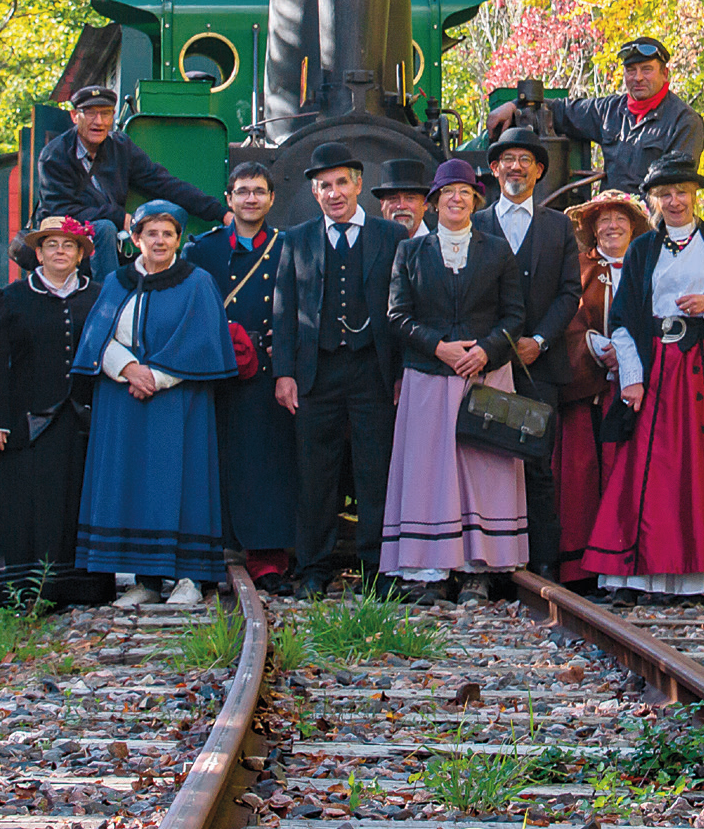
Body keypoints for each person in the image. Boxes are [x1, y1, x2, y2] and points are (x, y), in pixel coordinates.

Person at [582, 153, 704, 602]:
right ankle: (648, 575)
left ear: (695, 196)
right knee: (655, 472)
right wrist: (631, 378)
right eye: (666, 194)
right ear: (654, 199)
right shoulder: (642, 250)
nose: (675, 201)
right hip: (660, 372)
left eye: (683, 193)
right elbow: (626, 319)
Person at [73, 200, 237, 606]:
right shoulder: (116, 282)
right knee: (133, 485)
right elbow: (97, 337)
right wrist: (129, 368)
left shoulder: (197, 282)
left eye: (168, 234)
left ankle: (189, 579)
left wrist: (156, 377)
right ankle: (144, 582)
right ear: (136, 239)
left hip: (179, 401)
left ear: (179, 239)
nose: (160, 241)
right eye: (152, 233)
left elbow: (201, 340)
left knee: (181, 483)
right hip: (124, 400)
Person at [381, 160, 528, 604]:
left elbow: (515, 316)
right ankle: (428, 572)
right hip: (429, 377)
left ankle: (477, 574)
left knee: (483, 472)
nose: (457, 199)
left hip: (487, 376)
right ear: (435, 202)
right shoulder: (412, 252)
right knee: (430, 473)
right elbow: (397, 315)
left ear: (475, 201)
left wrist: (485, 350)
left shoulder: (497, 251)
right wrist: (439, 346)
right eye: (449, 193)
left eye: (465, 192)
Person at [271, 141, 407, 599]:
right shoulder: (297, 239)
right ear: (314, 192)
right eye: (324, 186)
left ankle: (377, 569)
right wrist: (283, 372)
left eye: (341, 183)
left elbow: (403, 308)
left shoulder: (391, 238)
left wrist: (402, 372)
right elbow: (284, 311)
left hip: (373, 371)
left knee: (376, 473)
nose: (334, 193)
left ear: (358, 185)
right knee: (315, 475)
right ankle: (313, 568)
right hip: (316, 372)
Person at [0, 216, 115, 608]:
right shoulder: (10, 298)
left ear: (81, 254)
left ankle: (82, 590)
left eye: (68, 245)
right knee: (27, 503)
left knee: (78, 501)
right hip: (27, 419)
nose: (59, 251)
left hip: (85, 417)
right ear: (38, 253)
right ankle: (21, 592)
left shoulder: (100, 296)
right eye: (51, 244)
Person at [474, 126, 581, 578]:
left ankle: (542, 563)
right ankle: (488, 565)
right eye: (507, 160)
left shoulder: (559, 226)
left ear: (539, 171)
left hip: (541, 368)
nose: (516, 167)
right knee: (488, 461)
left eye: (526, 160)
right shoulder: (474, 224)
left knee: (537, 463)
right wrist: (491, 347)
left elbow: (569, 291)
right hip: (488, 368)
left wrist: (539, 341)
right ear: (494, 169)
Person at [187, 163, 297, 591]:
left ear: (271, 199)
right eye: (242, 191)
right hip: (217, 366)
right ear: (229, 199)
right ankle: (217, 547)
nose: (251, 198)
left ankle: (267, 555)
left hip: (267, 370)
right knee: (216, 457)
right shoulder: (202, 250)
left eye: (259, 191)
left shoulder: (287, 246)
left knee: (266, 462)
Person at [558, 190, 651, 584]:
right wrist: (593, 346)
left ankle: (631, 563)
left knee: (631, 473)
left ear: (634, 227)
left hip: (637, 390)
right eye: (604, 220)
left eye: (620, 219)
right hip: (585, 391)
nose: (612, 227)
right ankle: (580, 567)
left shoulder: (648, 267)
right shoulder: (579, 268)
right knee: (582, 474)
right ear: (593, 228)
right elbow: (565, 315)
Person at [35, 85, 228, 275]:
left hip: (116, 234)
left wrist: (220, 213)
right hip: (69, 237)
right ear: (75, 116)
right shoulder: (54, 156)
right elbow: (61, 210)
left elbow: (162, 183)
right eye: (91, 113)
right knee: (104, 227)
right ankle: (109, 298)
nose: (99, 121)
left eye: (106, 113)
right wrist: (120, 218)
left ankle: (168, 279)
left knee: (173, 213)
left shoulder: (120, 147)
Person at [487, 36, 704, 193]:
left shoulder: (684, 122)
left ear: (665, 74)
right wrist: (514, 105)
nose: (638, 77)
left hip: (654, 228)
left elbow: (677, 188)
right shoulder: (609, 111)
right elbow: (560, 110)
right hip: (611, 226)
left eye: (647, 69)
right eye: (631, 70)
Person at [372, 158, 433, 238]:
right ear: (382, 203)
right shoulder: (370, 242)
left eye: (410, 198)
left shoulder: (439, 244)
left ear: (425, 203)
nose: (402, 206)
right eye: (393, 198)